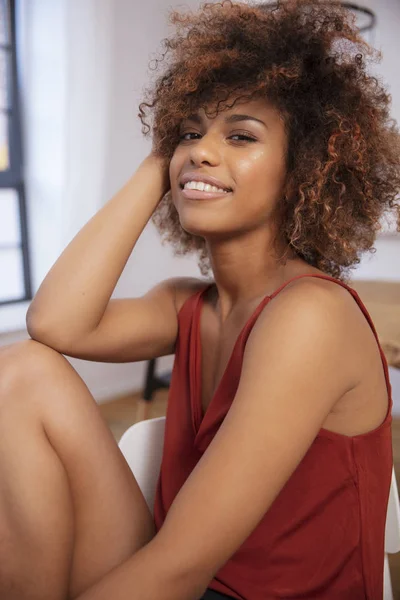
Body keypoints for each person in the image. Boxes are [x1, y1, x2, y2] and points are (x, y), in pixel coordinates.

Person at [1, 0, 399, 598]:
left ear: (305, 169)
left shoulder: (311, 316)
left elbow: (180, 568)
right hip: (180, 570)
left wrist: (193, 147)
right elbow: (53, 325)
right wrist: (164, 157)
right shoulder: (186, 303)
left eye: (241, 135)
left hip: (237, 589)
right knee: (20, 370)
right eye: (191, 131)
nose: (202, 151)